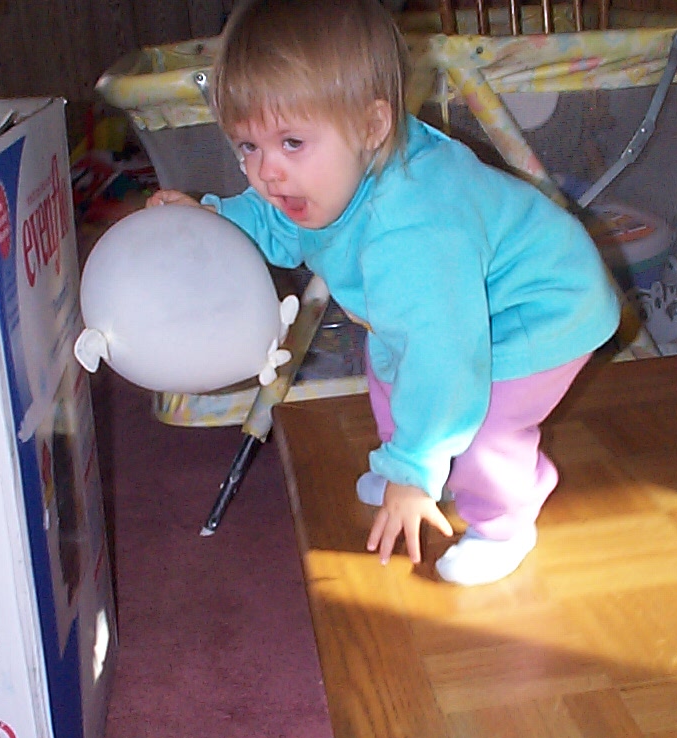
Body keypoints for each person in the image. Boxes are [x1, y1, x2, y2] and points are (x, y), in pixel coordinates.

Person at [147, 0, 620, 585]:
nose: (266, 172)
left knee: (483, 424)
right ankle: (413, 461)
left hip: (542, 308)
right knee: (392, 364)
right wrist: (213, 220)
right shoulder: (330, 169)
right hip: (450, 306)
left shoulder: (413, 231)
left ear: (373, 127)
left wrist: (414, 468)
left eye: (291, 142)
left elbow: (443, 359)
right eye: (248, 146)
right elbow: (271, 221)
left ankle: (503, 522)